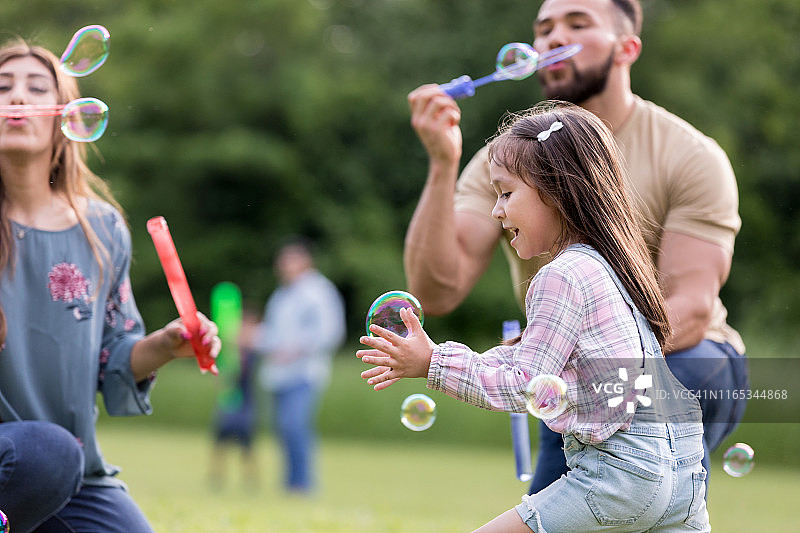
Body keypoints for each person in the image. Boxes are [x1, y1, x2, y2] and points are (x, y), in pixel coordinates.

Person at [404, 0, 748, 494]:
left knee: (617, 488)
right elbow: (437, 291)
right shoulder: (504, 162)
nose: (551, 39)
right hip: (570, 369)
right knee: (562, 505)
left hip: (689, 358)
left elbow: (690, 309)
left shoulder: (691, 156)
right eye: (542, 29)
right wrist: (442, 164)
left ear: (627, 48)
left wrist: (564, 352)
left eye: (576, 24)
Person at [360, 103, 710, 532]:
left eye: (506, 194)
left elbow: (526, 384)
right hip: (683, 473)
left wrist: (433, 363)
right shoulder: (613, 265)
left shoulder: (560, 275)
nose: (496, 211)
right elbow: (534, 365)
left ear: (557, 190)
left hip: (623, 475)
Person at [0, 39, 221, 532]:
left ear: (64, 118)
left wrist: (166, 344)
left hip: (71, 473)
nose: (17, 98)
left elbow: (112, 356)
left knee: (59, 458)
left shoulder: (101, 230)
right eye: (2, 88)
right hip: (19, 458)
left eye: (36, 88)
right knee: (46, 452)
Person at [252, 238, 345, 493]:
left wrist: (296, 350)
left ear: (306, 261)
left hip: (304, 373)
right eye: (281, 260)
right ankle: (290, 483)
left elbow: (330, 332)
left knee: (295, 425)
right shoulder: (282, 294)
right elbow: (274, 335)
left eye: (289, 259)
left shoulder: (319, 291)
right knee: (283, 429)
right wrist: (251, 336)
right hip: (277, 375)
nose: (283, 265)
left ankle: (303, 484)